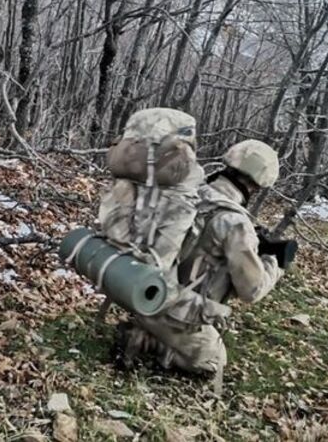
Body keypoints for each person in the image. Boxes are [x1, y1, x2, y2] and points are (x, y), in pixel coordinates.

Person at [115, 139, 288, 385]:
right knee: (214, 362)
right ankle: (145, 341)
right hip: (179, 313)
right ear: (258, 186)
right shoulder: (235, 223)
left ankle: (149, 329)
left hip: (145, 293)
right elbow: (252, 291)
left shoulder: (190, 192)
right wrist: (275, 264)